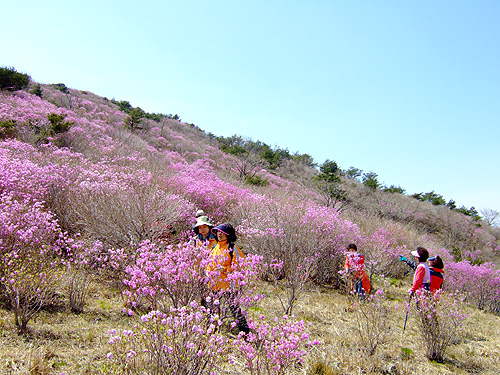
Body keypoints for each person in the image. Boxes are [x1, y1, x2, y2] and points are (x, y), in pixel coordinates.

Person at [205, 223, 249, 334]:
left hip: (229, 285)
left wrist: (225, 269)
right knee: (213, 308)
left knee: (234, 308)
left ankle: (245, 332)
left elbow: (239, 265)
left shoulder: (232, 248)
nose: (219, 234)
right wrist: (208, 273)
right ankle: (212, 330)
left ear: (228, 234)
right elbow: (209, 263)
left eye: (222, 232)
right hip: (215, 284)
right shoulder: (215, 247)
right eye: (218, 232)